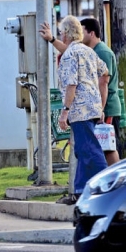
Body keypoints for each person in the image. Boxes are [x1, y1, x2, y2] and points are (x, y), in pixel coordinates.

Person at [40, 17, 121, 165]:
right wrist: (52, 39)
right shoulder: (86, 51)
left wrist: (101, 108)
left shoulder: (101, 52)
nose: (79, 33)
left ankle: (112, 181)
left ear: (91, 33)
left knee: (106, 148)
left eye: (81, 30)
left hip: (103, 106)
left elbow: (104, 80)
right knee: (92, 149)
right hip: (94, 107)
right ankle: (86, 184)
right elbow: (70, 52)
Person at [56, 15, 108, 204]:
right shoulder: (88, 51)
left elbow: (71, 84)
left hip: (80, 109)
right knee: (82, 149)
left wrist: (65, 111)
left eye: (61, 32)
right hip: (92, 107)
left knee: (89, 149)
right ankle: (80, 191)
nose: (61, 36)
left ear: (67, 34)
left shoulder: (70, 54)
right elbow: (105, 74)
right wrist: (100, 103)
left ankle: (107, 187)